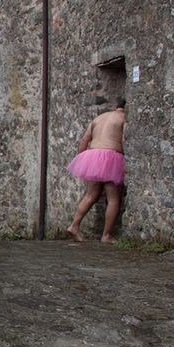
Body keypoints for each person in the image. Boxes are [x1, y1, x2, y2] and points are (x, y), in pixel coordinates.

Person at [66, 97, 127, 243]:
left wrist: (82, 160)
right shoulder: (123, 118)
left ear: (115, 105)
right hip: (111, 156)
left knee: (90, 195)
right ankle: (106, 235)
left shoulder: (99, 118)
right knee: (113, 198)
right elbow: (124, 140)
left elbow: (84, 140)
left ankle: (74, 225)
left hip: (92, 155)